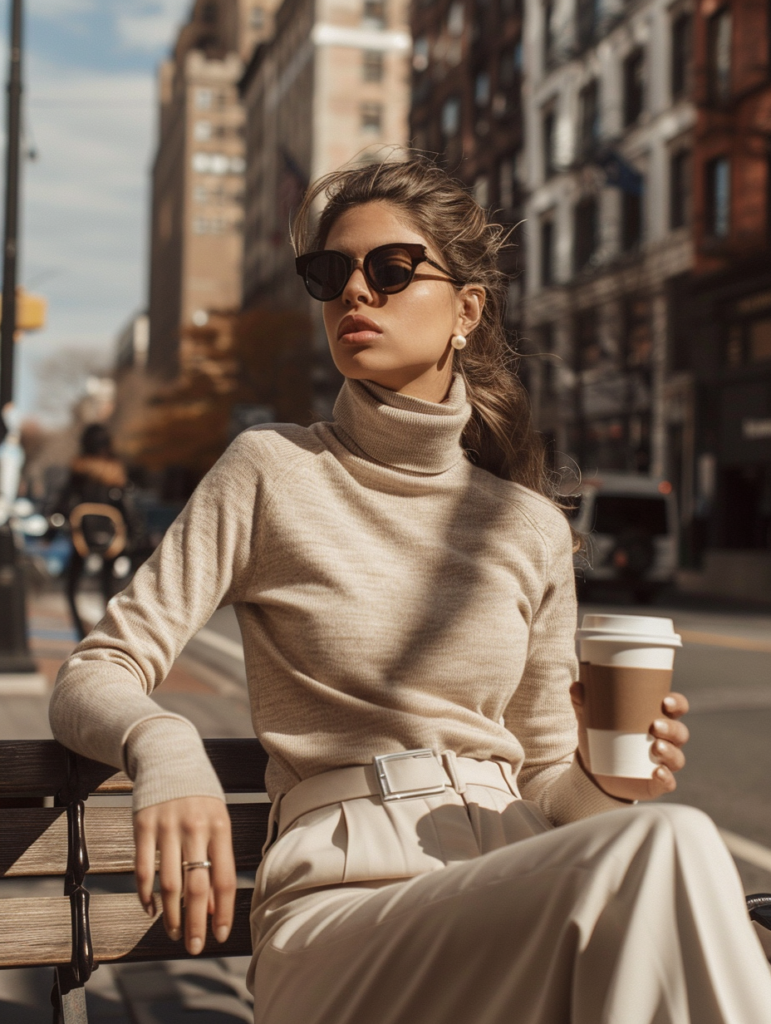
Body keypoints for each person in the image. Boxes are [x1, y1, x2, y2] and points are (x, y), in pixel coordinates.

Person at [49, 159, 771, 1023]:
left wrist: (607, 779)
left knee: (658, 838)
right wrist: (163, 747)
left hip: (524, 881)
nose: (355, 291)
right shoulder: (272, 470)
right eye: (330, 274)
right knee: (676, 847)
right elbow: (97, 669)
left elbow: (547, 784)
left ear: (466, 310)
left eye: (390, 271)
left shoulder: (529, 528)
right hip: (342, 911)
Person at [48, 423, 134, 639]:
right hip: (112, 538)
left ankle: (81, 634)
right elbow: (127, 509)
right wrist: (132, 540)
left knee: (71, 587)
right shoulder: (117, 472)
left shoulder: (79, 470)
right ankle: (111, 637)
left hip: (82, 537)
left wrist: (49, 533)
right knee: (110, 590)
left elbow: (63, 503)